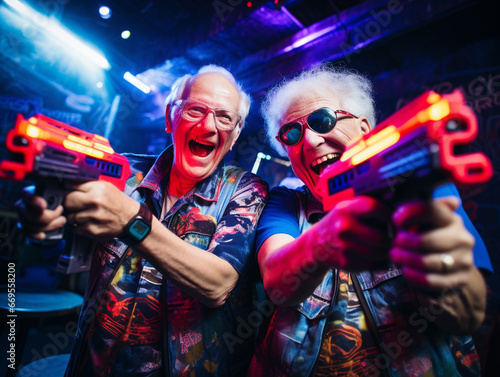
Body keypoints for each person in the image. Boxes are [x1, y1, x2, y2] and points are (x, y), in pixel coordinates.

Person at [16, 65, 268, 376]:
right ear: (169, 118)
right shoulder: (122, 172)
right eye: (195, 110)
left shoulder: (245, 191)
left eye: (224, 117)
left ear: (235, 134)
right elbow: (64, 239)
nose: (208, 126)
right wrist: (44, 219)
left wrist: (132, 221)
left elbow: (218, 285)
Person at [247, 66, 488, 377]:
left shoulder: (419, 185)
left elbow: (468, 316)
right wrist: (325, 239)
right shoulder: (287, 201)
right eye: (291, 133)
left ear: (364, 128)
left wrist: (441, 272)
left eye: (323, 120)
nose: (308, 141)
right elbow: (277, 281)